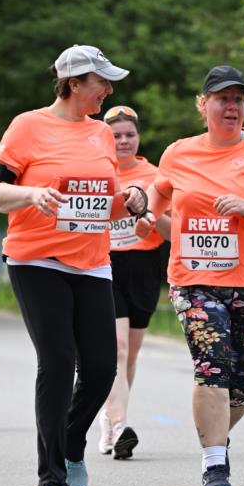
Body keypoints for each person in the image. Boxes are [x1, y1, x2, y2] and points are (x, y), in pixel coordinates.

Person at [0, 44, 147, 486]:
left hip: (92, 260)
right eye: (101, 82)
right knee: (57, 360)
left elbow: (107, 197)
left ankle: (73, 443)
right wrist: (31, 194)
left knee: (100, 368)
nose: (108, 90)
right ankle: (49, 477)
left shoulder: (100, 135)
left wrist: (133, 198)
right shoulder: (28, 126)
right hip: (36, 259)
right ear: (74, 84)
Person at [138, 65, 244, 486]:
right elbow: (158, 196)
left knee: (242, 382)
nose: (231, 106)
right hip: (194, 280)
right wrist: (149, 218)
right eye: (222, 98)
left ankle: (216, 435)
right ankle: (214, 466)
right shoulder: (178, 153)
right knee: (212, 365)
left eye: (238, 99)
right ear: (203, 104)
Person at [98, 105, 165, 459]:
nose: (123, 141)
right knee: (118, 349)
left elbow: (169, 225)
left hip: (143, 264)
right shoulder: (97, 171)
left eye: (129, 135)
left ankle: (110, 417)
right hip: (104, 263)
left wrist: (150, 218)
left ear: (137, 137)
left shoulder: (154, 173)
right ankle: (120, 423)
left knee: (132, 352)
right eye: (116, 135)